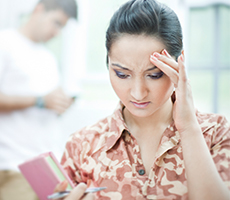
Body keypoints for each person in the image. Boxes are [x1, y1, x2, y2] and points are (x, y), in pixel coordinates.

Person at [59, 0, 230, 199]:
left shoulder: (215, 133)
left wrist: (189, 128)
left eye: (154, 74)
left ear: (178, 63)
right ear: (108, 62)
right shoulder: (82, 146)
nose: (138, 93)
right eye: (122, 74)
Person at [0, 0, 78, 200]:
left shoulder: (48, 58)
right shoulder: (5, 43)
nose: (57, 32)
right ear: (39, 9)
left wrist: (59, 104)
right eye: (56, 23)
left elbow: (46, 104)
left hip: (50, 165)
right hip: (15, 166)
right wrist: (40, 101)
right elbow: (39, 101)